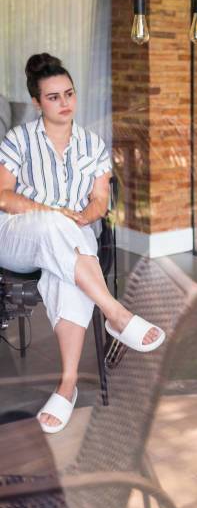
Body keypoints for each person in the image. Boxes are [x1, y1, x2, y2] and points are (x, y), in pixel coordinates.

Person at [0, 53, 165, 433]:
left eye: (69, 93)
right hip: (18, 238)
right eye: (54, 97)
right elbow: (4, 196)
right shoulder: (18, 139)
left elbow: (99, 202)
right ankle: (116, 314)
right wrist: (52, 212)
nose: (65, 103)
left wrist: (83, 216)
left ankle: (68, 384)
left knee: (66, 270)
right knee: (54, 229)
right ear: (38, 102)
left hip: (70, 242)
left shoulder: (93, 145)